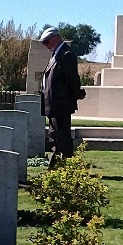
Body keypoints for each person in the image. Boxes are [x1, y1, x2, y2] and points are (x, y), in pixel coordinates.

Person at [39, 25, 86, 162]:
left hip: (61, 104)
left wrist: (77, 93)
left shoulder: (66, 54)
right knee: (54, 136)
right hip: (53, 104)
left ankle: (67, 166)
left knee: (62, 136)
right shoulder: (56, 55)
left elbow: (72, 78)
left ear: (55, 38)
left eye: (46, 42)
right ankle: (55, 166)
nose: (45, 46)